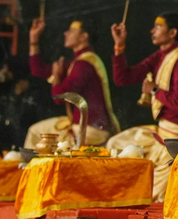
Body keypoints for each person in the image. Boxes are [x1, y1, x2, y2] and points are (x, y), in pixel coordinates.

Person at [107, 12, 178, 200]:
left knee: (156, 196)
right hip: (161, 134)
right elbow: (123, 78)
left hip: (176, 139)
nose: (152, 31)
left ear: (172, 33)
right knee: (115, 144)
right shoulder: (159, 57)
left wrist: (154, 90)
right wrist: (119, 45)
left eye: (158, 26)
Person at [24, 19, 119, 148]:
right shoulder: (77, 63)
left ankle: (32, 168)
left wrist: (57, 77)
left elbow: (59, 97)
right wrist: (34, 39)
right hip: (80, 126)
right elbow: (38, 70)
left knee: (35, 132)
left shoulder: (85, 65)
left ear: (84, 36)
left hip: (91, 130)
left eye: (71, 31)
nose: (65, 33)